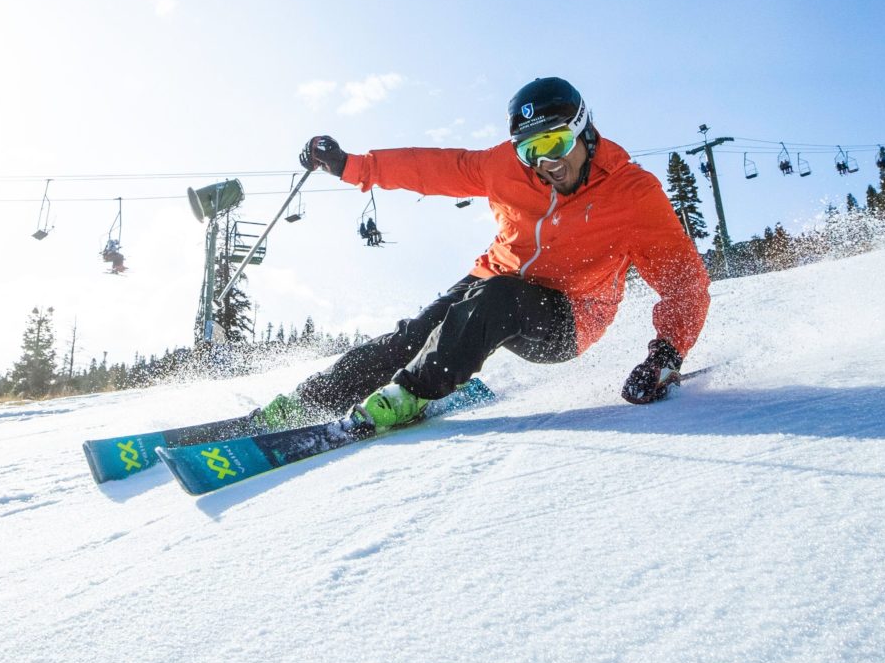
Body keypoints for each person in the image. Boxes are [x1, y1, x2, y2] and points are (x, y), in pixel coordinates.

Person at [252, 76, 711, 432]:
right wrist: (353, 166)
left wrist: (665, 355)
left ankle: (414, 392)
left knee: (497, 300)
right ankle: (310, 400)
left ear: (584, 132)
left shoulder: (632, 194)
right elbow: (435, 168)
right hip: (492, 280)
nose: (545, 163)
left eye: (554, 144)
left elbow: (684, 281)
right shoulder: (504, 168)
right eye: (531, 150)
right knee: (414, 332)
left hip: (569, 316)